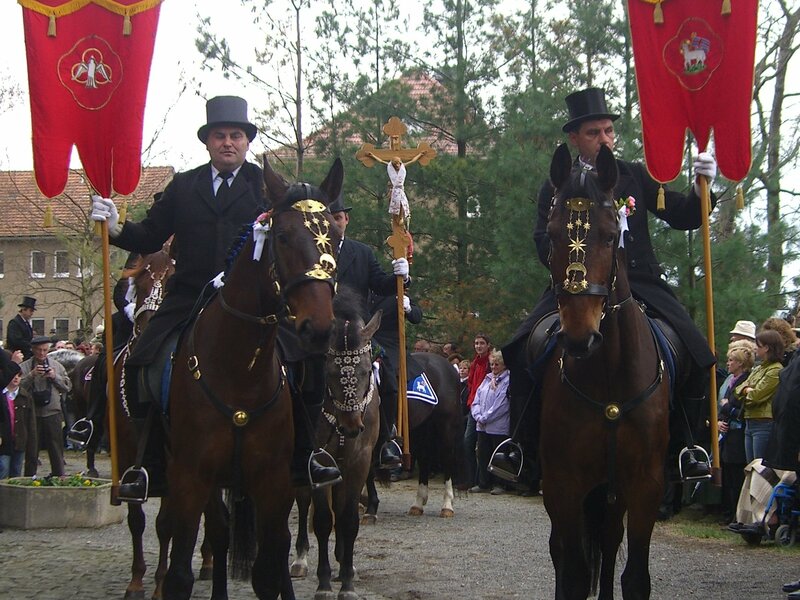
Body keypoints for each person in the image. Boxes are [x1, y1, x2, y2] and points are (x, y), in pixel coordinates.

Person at [88, 95, 347, 500]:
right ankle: (150, 461)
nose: (228, 142)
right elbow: (151, 235)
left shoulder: (268, 192)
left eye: (236, 136)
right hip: (189, 296)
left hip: (256, 303)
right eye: (220, 136)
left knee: (308, 361)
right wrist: (118, 227)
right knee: (141, 361)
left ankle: (305, 455)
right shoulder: (184, 186)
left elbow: (304, 235)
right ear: (208, 142)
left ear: (246, 142)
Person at [498, 87, 718, 481]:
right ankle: (519, 445)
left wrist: (704, 185)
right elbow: (539, 239)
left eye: (608, 131)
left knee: (696, 350)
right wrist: (568, 274)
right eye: (594, 132)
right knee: (520, 347)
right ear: (574, 138)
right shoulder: (554, 186)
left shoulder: (633, 174)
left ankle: (688, 445)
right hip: (572, 285)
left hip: (638, 282)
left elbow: (684, 216)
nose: (604, 139)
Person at [327, 191, 410, 466]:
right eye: (329, 219)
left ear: (346, 220)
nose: (335, 223)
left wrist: (400, 274)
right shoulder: (312, 250)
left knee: (386, 375)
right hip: (324, 332)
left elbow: (380, 283)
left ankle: (386, 440)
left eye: (338, 218)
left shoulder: (361, 252)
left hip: (359, 334)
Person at [67, 251, 141, 450]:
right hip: (128, 330)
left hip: (158, 326)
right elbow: (119, 294)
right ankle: (93, 420)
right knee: (103, 362)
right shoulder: (136, 261)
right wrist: (130, 309)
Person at [369, 292, 423, 468]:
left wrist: (407, 307)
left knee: (389, 384)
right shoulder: (362, 291)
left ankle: (387, 434)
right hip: (365, 341)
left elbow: (416, 317)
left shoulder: (397, 293)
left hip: (391, 346)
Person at [19, 335, 71, 477]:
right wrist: (31, 375)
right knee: (32, 450)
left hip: (52, 412)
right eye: (38, 350)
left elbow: (67, 387)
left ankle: (59, 476)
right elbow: (18, 388)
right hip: (32, 413)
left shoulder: (57, 366)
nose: (42, 353)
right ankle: (29, 478)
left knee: (56, 449)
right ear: (33, 350)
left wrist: (55, 377)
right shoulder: (24, 367)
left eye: (44, 350)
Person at [717, 340, 756, 525]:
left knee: (736, 476)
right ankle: (727, 512)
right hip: (727, 432)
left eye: (732, 360)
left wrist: (727, 409)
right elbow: (723, 405)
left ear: (740, 363)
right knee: (727, 475)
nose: (728, 363)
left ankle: (736, 514)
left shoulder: (746, 381)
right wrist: (719, 420)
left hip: (738, 433)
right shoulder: (730, 382)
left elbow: (739, 409)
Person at [735, 329, 784, 463]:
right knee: (749, 467)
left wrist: (746, 392)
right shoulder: (758, 369)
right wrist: (746, 390)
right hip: (749, 422)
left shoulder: (776, 370)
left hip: (764, 424)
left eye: (759, 345)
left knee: (759, 467)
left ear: (767, 348)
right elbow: (738, 389)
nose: (755, 348)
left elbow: (756, 396)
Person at [469, 349, 510, 495]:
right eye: (492, 364)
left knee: (498, 455)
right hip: (482, 425)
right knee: (483, 453)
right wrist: (478, 415)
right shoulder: (486, 379)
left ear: (504, 365)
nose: (493, 367)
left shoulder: (507, 381)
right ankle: (483, 482)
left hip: (498, 426)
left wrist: (486, 417)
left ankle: (500, 484)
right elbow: (476, 400)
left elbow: (501, 405)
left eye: (497, 364)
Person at [462, 334, 491, 489]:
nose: (479, 346)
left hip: (487, 409)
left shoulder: (490, 363)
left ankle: (483, 480)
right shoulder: (474, 363)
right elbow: (471, 384)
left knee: (483, 446)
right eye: (476, 343)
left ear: (488, 345)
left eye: (481, 343)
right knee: (467, 443)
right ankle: (470, 478)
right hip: (474, 407)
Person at [0, 362, 36, 478]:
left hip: (19, 440)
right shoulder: (2, 395)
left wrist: (31, 442)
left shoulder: (25, 396)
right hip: (4, 442)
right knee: (3, 469)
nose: (16, 378)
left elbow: (31, 422)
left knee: (16, 472)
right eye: (13, 375)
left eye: (19, 375)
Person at [6, 296, 37, 361]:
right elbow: (15, 340)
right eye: (30, 311)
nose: (32, 313)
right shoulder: (15, 322)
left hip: (26, 355)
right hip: (16, 355)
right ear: (23, 310)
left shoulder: (27, 323)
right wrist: (31, 346)